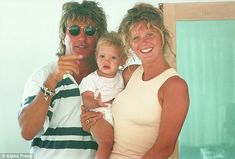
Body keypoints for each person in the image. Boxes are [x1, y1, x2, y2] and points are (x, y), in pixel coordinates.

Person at [81, 3, 189, 159]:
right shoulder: (129, 74)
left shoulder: (174, 86)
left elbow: (165, 148)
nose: (143, 42)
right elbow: (110, 110)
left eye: (150, 34)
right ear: (130, 43)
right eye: (136, 38)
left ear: (162, 36)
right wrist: (90, 121)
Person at [18, 1, 107, 159]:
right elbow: (27, 131)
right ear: (63, 36)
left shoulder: (111, 78)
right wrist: (52, 80)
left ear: (99, 36)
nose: (81, 37)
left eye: (89, 30)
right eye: (74, 30)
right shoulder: (43, 75)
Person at [80, 31, 127, 159]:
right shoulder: (91, 79)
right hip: (99, 116)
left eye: (113, 58)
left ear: (123, 59)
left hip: (118, 117)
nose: (107, 61)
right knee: (106, 142)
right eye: (102, 56)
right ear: (96, 56)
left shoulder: (122, 76)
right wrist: (96, 103)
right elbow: (86, 99)